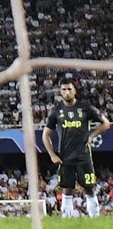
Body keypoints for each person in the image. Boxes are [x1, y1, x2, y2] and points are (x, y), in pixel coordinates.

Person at [43, 78, 110, 218]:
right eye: (64, 90)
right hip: (65, 158)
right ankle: (66, 219)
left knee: (89, 189)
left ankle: (95, 219)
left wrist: (92, 136)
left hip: (83, 156)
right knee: (67, 190)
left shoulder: (85, 107)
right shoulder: (56, 111)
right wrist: (52, 155)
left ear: (75, 90)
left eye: (69, 89)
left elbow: (106, 123)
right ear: (60, 92)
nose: (67, 92)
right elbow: (45, 135)